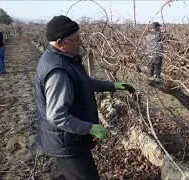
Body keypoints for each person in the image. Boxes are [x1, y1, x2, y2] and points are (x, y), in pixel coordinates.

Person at [35, 15, 135, 180]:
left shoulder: (62, 59)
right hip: (68, 143)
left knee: (61, 175)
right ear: (61, 43)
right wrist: (90, 128)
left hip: (61, 141)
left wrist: (112, 86)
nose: (80, 43)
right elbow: (57, 116)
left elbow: (81, 82)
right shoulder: (58, 71)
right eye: (76, 39)